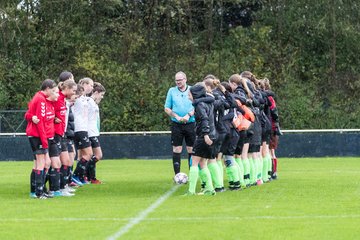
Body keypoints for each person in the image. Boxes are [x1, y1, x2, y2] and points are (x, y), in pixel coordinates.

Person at [26, 79, 58, 199]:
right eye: (53, 89)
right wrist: (44, 142)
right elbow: (40, 123)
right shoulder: (41, 99)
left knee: (46, 162)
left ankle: (41, 190)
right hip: (37, 135)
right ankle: (38, 192)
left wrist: (31, 116)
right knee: (41, 162)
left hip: (38, 135)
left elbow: (29, 114)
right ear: (48, 89)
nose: (55, 92)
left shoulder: (39, 97)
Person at [185, 82, 216, 196]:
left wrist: (206, 134)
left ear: (195, 94)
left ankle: (191, 191)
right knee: (203, 163)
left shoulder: (199, 105)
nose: (188, 96)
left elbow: (204, 119)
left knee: (194, 162)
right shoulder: (208, 102)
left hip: (204, 136)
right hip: (212, 135)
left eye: (190, 94)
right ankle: (210, 189)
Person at [164, 71, 196, 176]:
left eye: (180, 80)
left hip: (191, 123)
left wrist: (188, 115)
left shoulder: (192, 90)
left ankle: (193, 174)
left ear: (185, 79)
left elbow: (198, 106)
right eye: (176, 80)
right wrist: (177, 117)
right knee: (177, 148)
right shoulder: (172, 91)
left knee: (191, 149)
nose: (178, 82)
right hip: (176, 124)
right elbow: (167, 108)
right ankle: (177, 175)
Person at [53, 73, 77, 195]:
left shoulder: (64, 100)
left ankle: (62, 187)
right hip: (55, 135)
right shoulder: (57, 98)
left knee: (66, 161)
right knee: (56, 163)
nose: (74, 93)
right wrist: (53, 118)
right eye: (73, 91)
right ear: (66, 89)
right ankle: (55, 189)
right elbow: (47, 109)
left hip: (62, 134)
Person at [72, 77, 94, 184]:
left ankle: (80, 177)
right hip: (79, 129)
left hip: (83, 128)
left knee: (82, 155)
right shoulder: (77, 97)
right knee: (89, 154)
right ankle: (75, 176)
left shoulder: (85, 98)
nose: (92, 87)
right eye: (90, 85)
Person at [86, 82, 106, 184]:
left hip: (94, 132)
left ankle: (91, 178)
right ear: (96, 92)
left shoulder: (92, 102)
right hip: (90, 133)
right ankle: (85, 175)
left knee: (93, 156)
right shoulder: (89, 101)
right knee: (98, 155)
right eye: (101, 95)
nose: (101, 97)